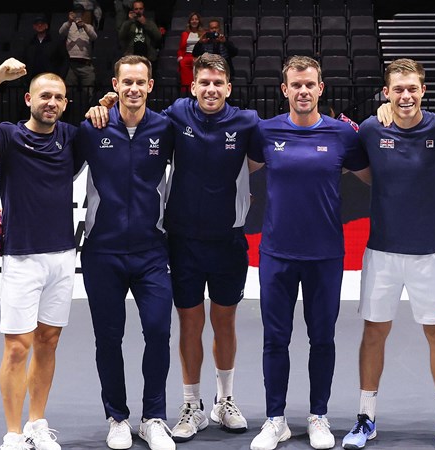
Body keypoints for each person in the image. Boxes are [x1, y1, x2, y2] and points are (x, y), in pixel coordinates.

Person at [342, 58, 435, 450]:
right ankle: (366, 419)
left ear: (423, 91)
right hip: (381, 251)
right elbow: (364, 172)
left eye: (412, 88)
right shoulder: (370, 129)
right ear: (386, 92)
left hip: (431, 252)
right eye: (398, 89)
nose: (405, 95)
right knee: (374, 332)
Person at [247, 55, 369, 450]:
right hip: (277, 253)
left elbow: (374, 174)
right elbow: (235, 168)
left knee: (323, 338)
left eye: (309, 84)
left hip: (326, 254)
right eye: (295, 85)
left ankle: (319, 416)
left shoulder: (343, 135)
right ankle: (275, 419)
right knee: (274, 340)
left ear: (321, 89)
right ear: (285, 90)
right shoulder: (265, 132)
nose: (302, 91)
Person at [0, 57, 77, 450]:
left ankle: (37, 423)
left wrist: (105, 105)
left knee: (48, 341)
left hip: (62, 258)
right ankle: (12, 433)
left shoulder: (72, 137)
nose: (52, 102)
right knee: (16, 348)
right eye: (45, 95)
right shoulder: (8, 138)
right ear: (29, 99)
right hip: (22, 258)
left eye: (59, 97)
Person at [75, 54, 176, 450]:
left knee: (157, 331)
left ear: (151, 86)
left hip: (152, 251)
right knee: (108, 338)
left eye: (141, 82)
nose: (133, 88)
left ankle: (154, 417)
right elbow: (55, 169)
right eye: (126, 82)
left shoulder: (166, 128)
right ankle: (117, 416)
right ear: (114, 85)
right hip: (103, 252)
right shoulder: (91, 127)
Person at [159, 53, 256, 442]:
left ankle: (225, 400)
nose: (211, 89)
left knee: (225, 322)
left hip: (228, 240)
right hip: (182, 239)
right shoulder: (177, 114)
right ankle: (191, 404)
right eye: (204, 82)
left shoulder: (247, 123)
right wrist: (106, 107)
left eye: (218, 83)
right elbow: (134, 119)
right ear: (193, 86)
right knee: (189, 323)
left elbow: (280, 145)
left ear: (228, 88)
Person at [59, 3, 98, 89]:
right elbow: (61, 32)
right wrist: (70, 21)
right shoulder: (68, 25)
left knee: (89, 89)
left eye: (80, 12)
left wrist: (84, 26)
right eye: (76, 12)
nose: (78, 14)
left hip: (86, 64)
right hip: (71, 64)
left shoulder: (89, 27)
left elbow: (94, 37)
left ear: (83, 13)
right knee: (69, 90)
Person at [23, 16, 68, 80]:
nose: (39, 25)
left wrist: (60, 76)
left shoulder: (56, 41)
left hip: (51, 78)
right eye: (37, 24)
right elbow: (24, 59)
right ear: (34, 27)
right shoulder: (29, 43)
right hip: (32, 78)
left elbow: (64, 60)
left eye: (42, 23)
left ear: (46, 26)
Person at [118, 0, 162, 66]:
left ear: (143, 10)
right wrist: (129, 21)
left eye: (140, 9)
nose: (138, 11)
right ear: (133, 10)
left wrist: (146, 24)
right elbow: (121, 36)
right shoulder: (128, 23)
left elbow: (158, 36)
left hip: (147, 57)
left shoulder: (149, 22)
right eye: (136, 9)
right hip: (131, 57)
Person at [176, 12, 204, 90]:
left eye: (196, 19)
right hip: (186, 57)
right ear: (189, 21)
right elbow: (181, 48)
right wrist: (180, 58)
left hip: (198, 57)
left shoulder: (203, 33)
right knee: (185, 82)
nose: (194, 21)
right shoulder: (185, 34)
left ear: (199, 21)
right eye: (192, 19)